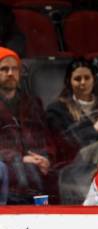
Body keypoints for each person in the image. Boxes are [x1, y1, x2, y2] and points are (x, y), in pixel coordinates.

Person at [0, 47, 56, 204]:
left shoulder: (32, 104)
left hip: (36, 171)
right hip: (9, 175)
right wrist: (20, 158)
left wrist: (46, 158)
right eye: (4, 69)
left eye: (14, 69)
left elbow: (47, 138)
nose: (10, 73)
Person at [46, 58, 98, 167]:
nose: (83, 82)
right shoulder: (57, 110)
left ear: (94, 79)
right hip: (75, 166)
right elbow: (62, 144)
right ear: (69, 82)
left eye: (87, 78)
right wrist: (94, 130)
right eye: (77, 79)